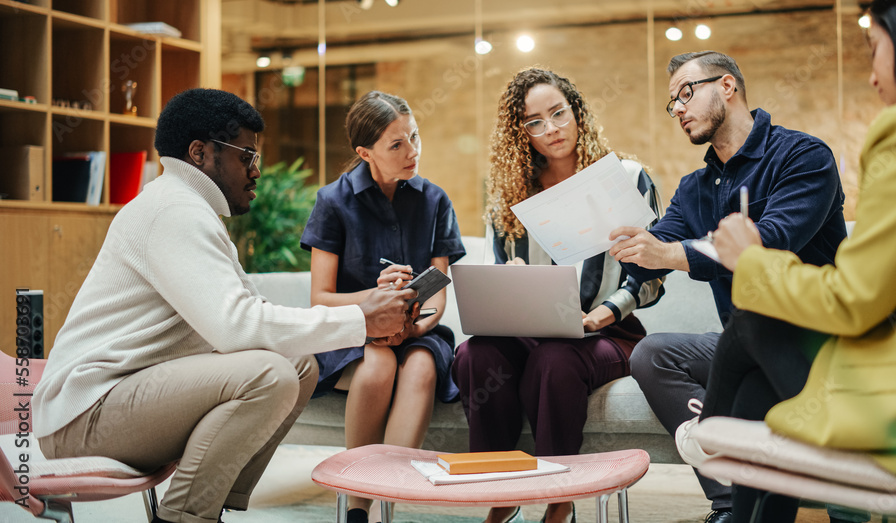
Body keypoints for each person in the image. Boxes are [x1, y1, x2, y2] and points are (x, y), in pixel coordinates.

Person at [685, 0, 896, 522]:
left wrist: (748, 258)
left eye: (874, 48)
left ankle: (708, 437)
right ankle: (724, 460)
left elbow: (856, 299)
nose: (873, 75)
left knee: (752, 322)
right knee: (754, 364)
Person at [32, 88, 415, 523]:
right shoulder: (174, 211)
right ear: (199, 153)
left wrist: (362, 317)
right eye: (246, 157)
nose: (256, 172)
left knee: (299, 363)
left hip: (126, 395)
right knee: (269, 374)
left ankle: (209, 504)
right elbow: (237, 327)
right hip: (84, 415)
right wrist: (361, 319)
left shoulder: (189, 208)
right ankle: (184, 517)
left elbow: (253, 310)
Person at [607, 51, 849, 523]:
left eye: (686, 92)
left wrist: (668, 254)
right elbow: (652, 254)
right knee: (651, 353)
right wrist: (607, 307)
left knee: (754, 351)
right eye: (671, 102)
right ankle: (727, 497)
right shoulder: (694, 187)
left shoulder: (803, 156)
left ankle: (722, 451)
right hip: (742, 343)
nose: (677, 107)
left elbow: (772, 241)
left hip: (815, 341)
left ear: (727, 86)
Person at [451, 67, 664, 523]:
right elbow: (498, 269)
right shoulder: (509, 194)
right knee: (475, 355)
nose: (551, 130)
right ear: (520, 132)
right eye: (534, 122)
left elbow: (650, 276)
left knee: (556, 358)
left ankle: (558, 497)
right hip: (534, 328)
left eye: (558, 114)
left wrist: (602, 315)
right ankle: (499, 488)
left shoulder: (626, 178)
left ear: (577, 112)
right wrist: (511, 282)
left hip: (609, 331)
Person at [300, 90, 466, 523]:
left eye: (414, 137)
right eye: (397, 144)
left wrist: (412, 329)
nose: (412, 152)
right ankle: (358, 504)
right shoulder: (332, 201)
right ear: (365, 152)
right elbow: (321, 298)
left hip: (418, 333)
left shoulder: (435, 200)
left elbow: (438, 290)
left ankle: (389, 500)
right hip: (354, 333)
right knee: (378, 365)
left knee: (422, 366)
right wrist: (374, 307)